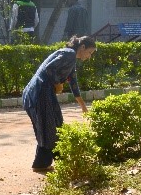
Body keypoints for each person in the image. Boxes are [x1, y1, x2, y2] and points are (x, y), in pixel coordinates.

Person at [22, 35, 96, 172]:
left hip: (40, 93)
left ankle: (49, 162)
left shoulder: (70, 58)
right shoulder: (69, 54)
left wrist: (83, 106)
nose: (89, 56)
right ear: (83, 47)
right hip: (40, 92)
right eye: (90, 52)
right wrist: (58, 84)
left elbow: (73, 82)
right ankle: (49, 163)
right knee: (51, 127)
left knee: (54, 125)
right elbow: (50, 69)